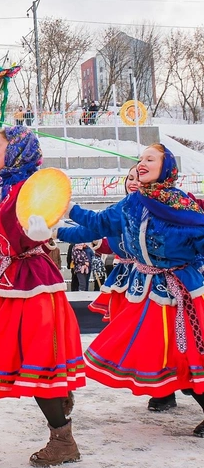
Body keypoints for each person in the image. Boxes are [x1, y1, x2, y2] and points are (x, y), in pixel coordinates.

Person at [0, 126, 85, 467]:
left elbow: (36, 220)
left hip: (31, 285)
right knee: (25, 359)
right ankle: (59, 403)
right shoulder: (6, 187)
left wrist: (41, 234)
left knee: (35, 362)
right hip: (12, 281)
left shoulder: (32, 189)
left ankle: (63, 438)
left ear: (16, 151)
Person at [55, 144, 204, 437]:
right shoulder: (132, 203)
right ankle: (164, 392)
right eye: (140, 160)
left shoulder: (182, 205)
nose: (141, 163)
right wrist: (59, 222)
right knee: (163, 354)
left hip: (180, 293)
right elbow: (96, 224)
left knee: (187, 356)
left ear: (167, 167)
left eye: (150, 159)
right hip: (148, 292)